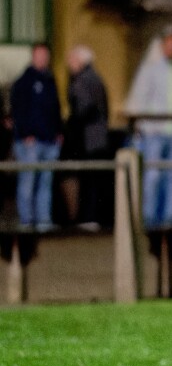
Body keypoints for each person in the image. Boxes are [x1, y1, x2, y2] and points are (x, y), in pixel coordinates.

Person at [128, 28, 172, 225]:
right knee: (152, 176)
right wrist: (145, 126)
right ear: (162, 47)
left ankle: (170, 219)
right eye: (168, 44)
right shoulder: (151, 71)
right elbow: (142, 98)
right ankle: (149, 219)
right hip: (155, 132)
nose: (171, 48)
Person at [10, 43, 62, 230]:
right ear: (33, 57)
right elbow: (18, 111)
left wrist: (58, 132)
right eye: (39, 55)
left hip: (49, 141)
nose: (42, 59)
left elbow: (56, 108)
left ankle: (43, 221)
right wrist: (25, 134)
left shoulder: (50, 80)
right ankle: (26, 221)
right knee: (28, 182)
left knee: (45, 183)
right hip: (30, 142)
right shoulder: (24, 82)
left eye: (45, 56)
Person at [64, 45, 110, 230]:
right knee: (94, 179)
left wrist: (71, 125)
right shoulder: (97, 79)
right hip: (98, 137)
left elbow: (83, 109)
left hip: (87, 139)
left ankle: (88, 217)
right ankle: (92, 216)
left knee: (88, 179)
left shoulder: (82, 81)